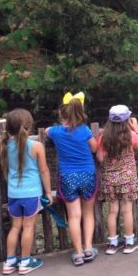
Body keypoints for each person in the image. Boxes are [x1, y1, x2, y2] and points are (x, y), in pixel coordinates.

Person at [46, 92, 98, 266]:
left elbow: (46, 131)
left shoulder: (56, 132)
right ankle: (89, 248)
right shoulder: (85, 130)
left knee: (74, 216)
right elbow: (94, 148)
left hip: (67, 176)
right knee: (88, 213)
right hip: (87, 174)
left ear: (63, 113)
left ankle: (78, 253)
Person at [0, 109, 52, 275]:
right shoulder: (37, 146)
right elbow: (44, 171)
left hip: (14, 194)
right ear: (29, 127)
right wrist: (49, 193)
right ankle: (25, 262)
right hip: (31, 194)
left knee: (15, 227)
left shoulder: (5, 146)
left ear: (9, 128)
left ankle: (9, 262)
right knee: (28, 227)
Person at [97, 105, 138, 255]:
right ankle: (129, 242)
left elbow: (99, 157)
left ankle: (112, 243)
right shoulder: (131, 135)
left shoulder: (104, 137)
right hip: (127, 179)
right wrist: (135, 129)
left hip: (110, 180)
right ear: (127, 120)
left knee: (112, 211)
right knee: (127, 210)